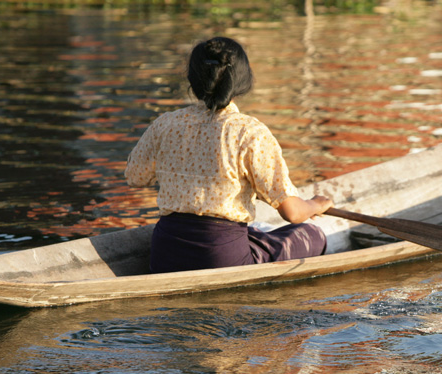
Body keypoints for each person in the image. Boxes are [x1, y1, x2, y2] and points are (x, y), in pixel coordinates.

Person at [125, 36, 333, 273]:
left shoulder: (165, 125)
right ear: (242, 79)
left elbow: (135, 177)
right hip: (222, 257)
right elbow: (293, 213)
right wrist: (315, 205)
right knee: (312, 234)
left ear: (193, 81)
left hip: (166, 255)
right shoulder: (250, 132)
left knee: (255, 232)